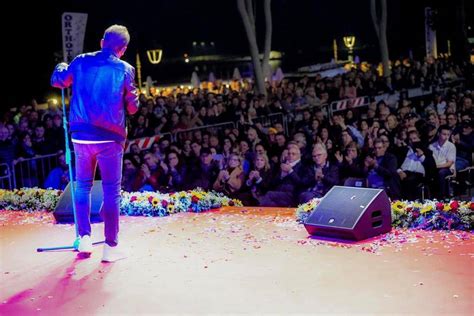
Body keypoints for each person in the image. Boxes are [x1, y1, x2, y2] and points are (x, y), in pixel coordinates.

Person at [51, 25, 139, 262]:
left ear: (102, 42)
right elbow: (133, 107)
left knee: (82, 186)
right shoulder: (125, 69)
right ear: (123, 49)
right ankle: (111, 247)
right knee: (111, 191)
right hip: (110, 138)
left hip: (80, 135)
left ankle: (85, 238)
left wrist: (60, 66)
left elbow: (58, 80)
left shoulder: (80, 61)